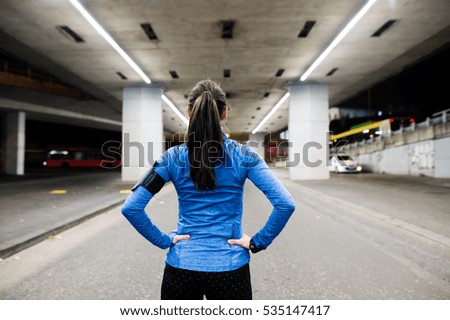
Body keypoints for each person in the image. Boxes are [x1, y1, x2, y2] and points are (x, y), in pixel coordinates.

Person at [121, 79, 295, 300]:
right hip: (231, 270)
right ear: (224, 113)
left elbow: (131, 208)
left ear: (189, 112)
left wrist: (164, 240)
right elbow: (285, 204)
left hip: (181, 268)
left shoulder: (171, 157)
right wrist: (256, 242)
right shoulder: (245, 156)